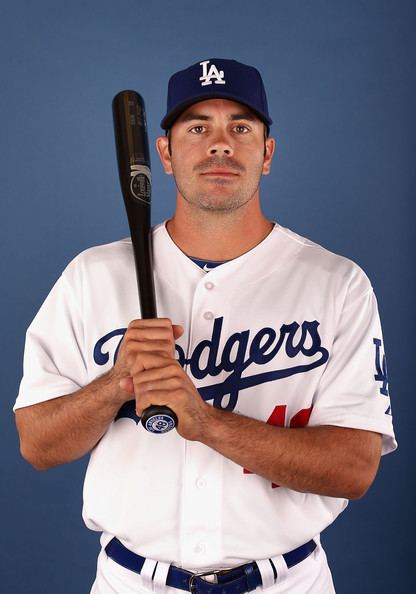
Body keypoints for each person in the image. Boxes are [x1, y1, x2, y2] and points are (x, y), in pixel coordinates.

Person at [15, 58, 396, 594]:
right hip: (133, 582)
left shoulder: (337, 284)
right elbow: (37, 443)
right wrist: (115, 384)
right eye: (198, 128)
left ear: (267, 153)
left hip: (287, 583)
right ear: (165, 154)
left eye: (240, 127)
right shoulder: (92, 275)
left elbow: (355, 470)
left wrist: (207, 422)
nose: (220, 144)